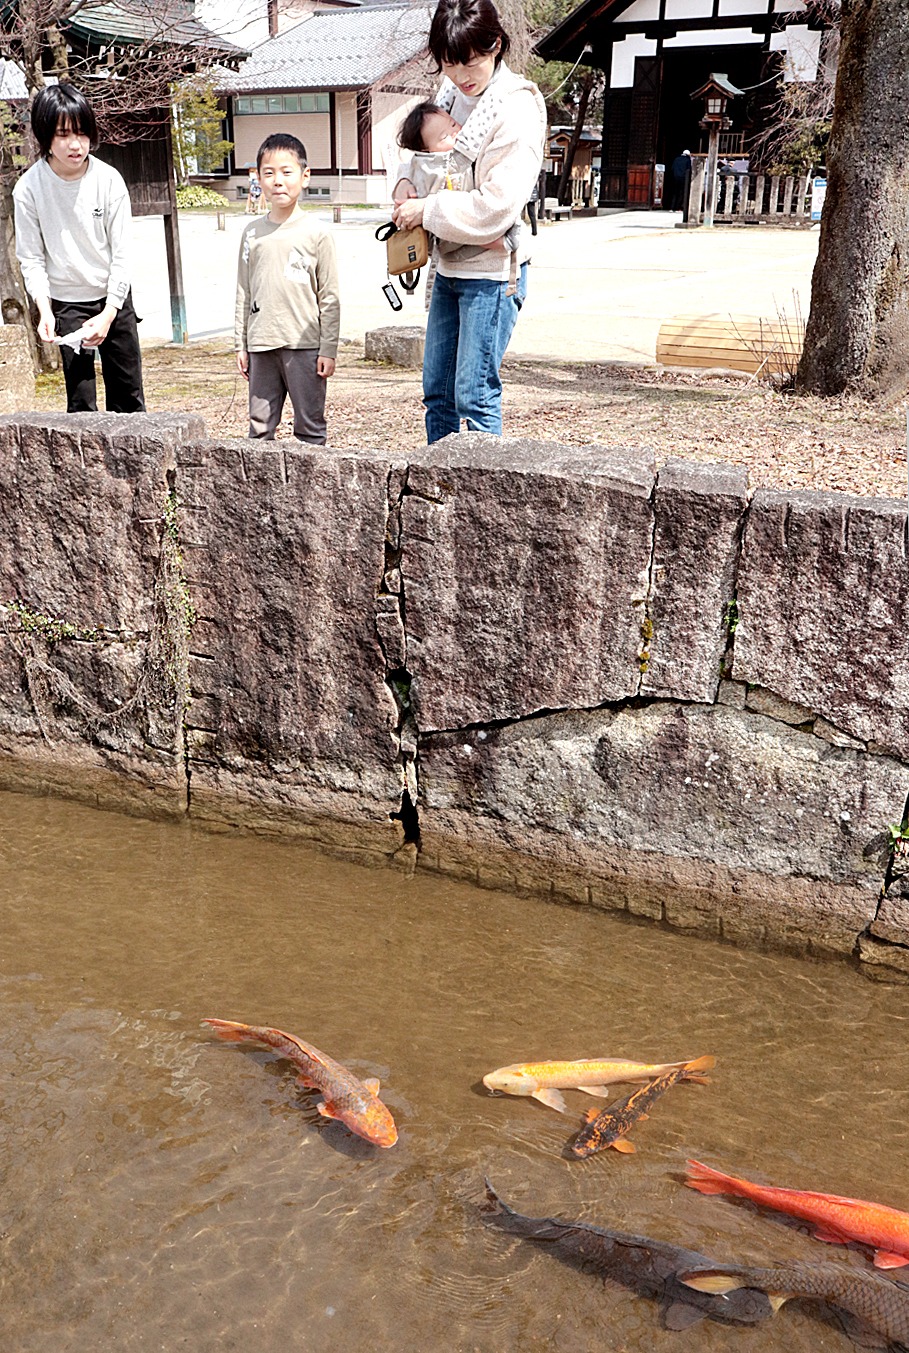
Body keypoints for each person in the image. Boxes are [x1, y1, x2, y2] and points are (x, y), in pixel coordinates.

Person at [392, 0, 546, 442]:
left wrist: (427, 210)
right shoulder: (448, 96)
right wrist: (405, 186)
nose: (461, 75)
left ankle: (477, 501)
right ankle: (435, 494)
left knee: (474, 395)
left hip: (494, 272)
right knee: (436, 393)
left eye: (472, 61)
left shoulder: (516, 107)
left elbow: (497, 206)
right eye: (449, 62)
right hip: (450, 265)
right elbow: (415, 149)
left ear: (495, 45)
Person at [13, 82, 145, 414]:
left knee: (128, 398)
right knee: (81, 403)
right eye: (63, 135)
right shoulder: (28, 189)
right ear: (45, 137)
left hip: (112, 297)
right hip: (67, 303)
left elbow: (123, 253)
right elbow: (31, 258)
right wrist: (45, 310)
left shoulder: (109, 180)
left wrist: (111, 311)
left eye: (82, 133)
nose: (76, 145)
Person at [234, 133, 339, 444]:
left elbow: (330, 296)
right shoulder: (252, 233)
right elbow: (243, 291)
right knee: (260, 428)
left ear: (305, 177)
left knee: (310, 426)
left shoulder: (317, 233)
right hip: (261, 343)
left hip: (305, 345)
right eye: (268, 173)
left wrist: (328, 349)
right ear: (258, 178)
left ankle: (314, 490)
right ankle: (259, 491)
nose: (277, 181)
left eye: (286, 172)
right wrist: (241, 342)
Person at [396, 100, 521, 255]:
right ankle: (503, 241)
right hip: (449, 230)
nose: (455, 133)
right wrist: (403, 182)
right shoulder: (433, 165)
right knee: (482, 235)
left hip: (453, 222)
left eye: (453, 124)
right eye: (444, 137)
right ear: (426, 149)